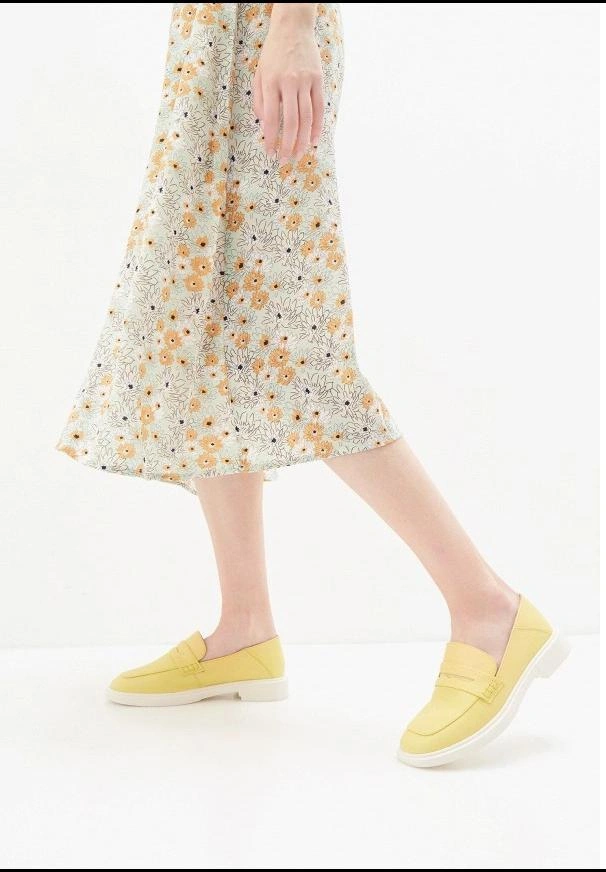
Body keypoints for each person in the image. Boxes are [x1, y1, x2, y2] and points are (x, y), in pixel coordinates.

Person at [56, 2, 568, 767]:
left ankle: (488, 609)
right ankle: (245, 628)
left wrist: (292, 25)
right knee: (206, 333)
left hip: (261, 31)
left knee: (301, 354)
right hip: (206, 41)